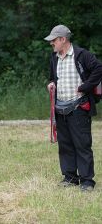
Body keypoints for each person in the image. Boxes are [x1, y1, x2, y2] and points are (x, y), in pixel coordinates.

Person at [44, 24, 102, 192]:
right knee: (65, 145)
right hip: (60, 107)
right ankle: (70, 178)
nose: (51, 44)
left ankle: (87, 182)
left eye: (54, 40)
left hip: (78, 107)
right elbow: (52, 78)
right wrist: (51, 84)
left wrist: (86, 86)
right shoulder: (54, 57)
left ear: (63, 39)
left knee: (82, 145)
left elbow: (99, 69)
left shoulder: (82, 55)